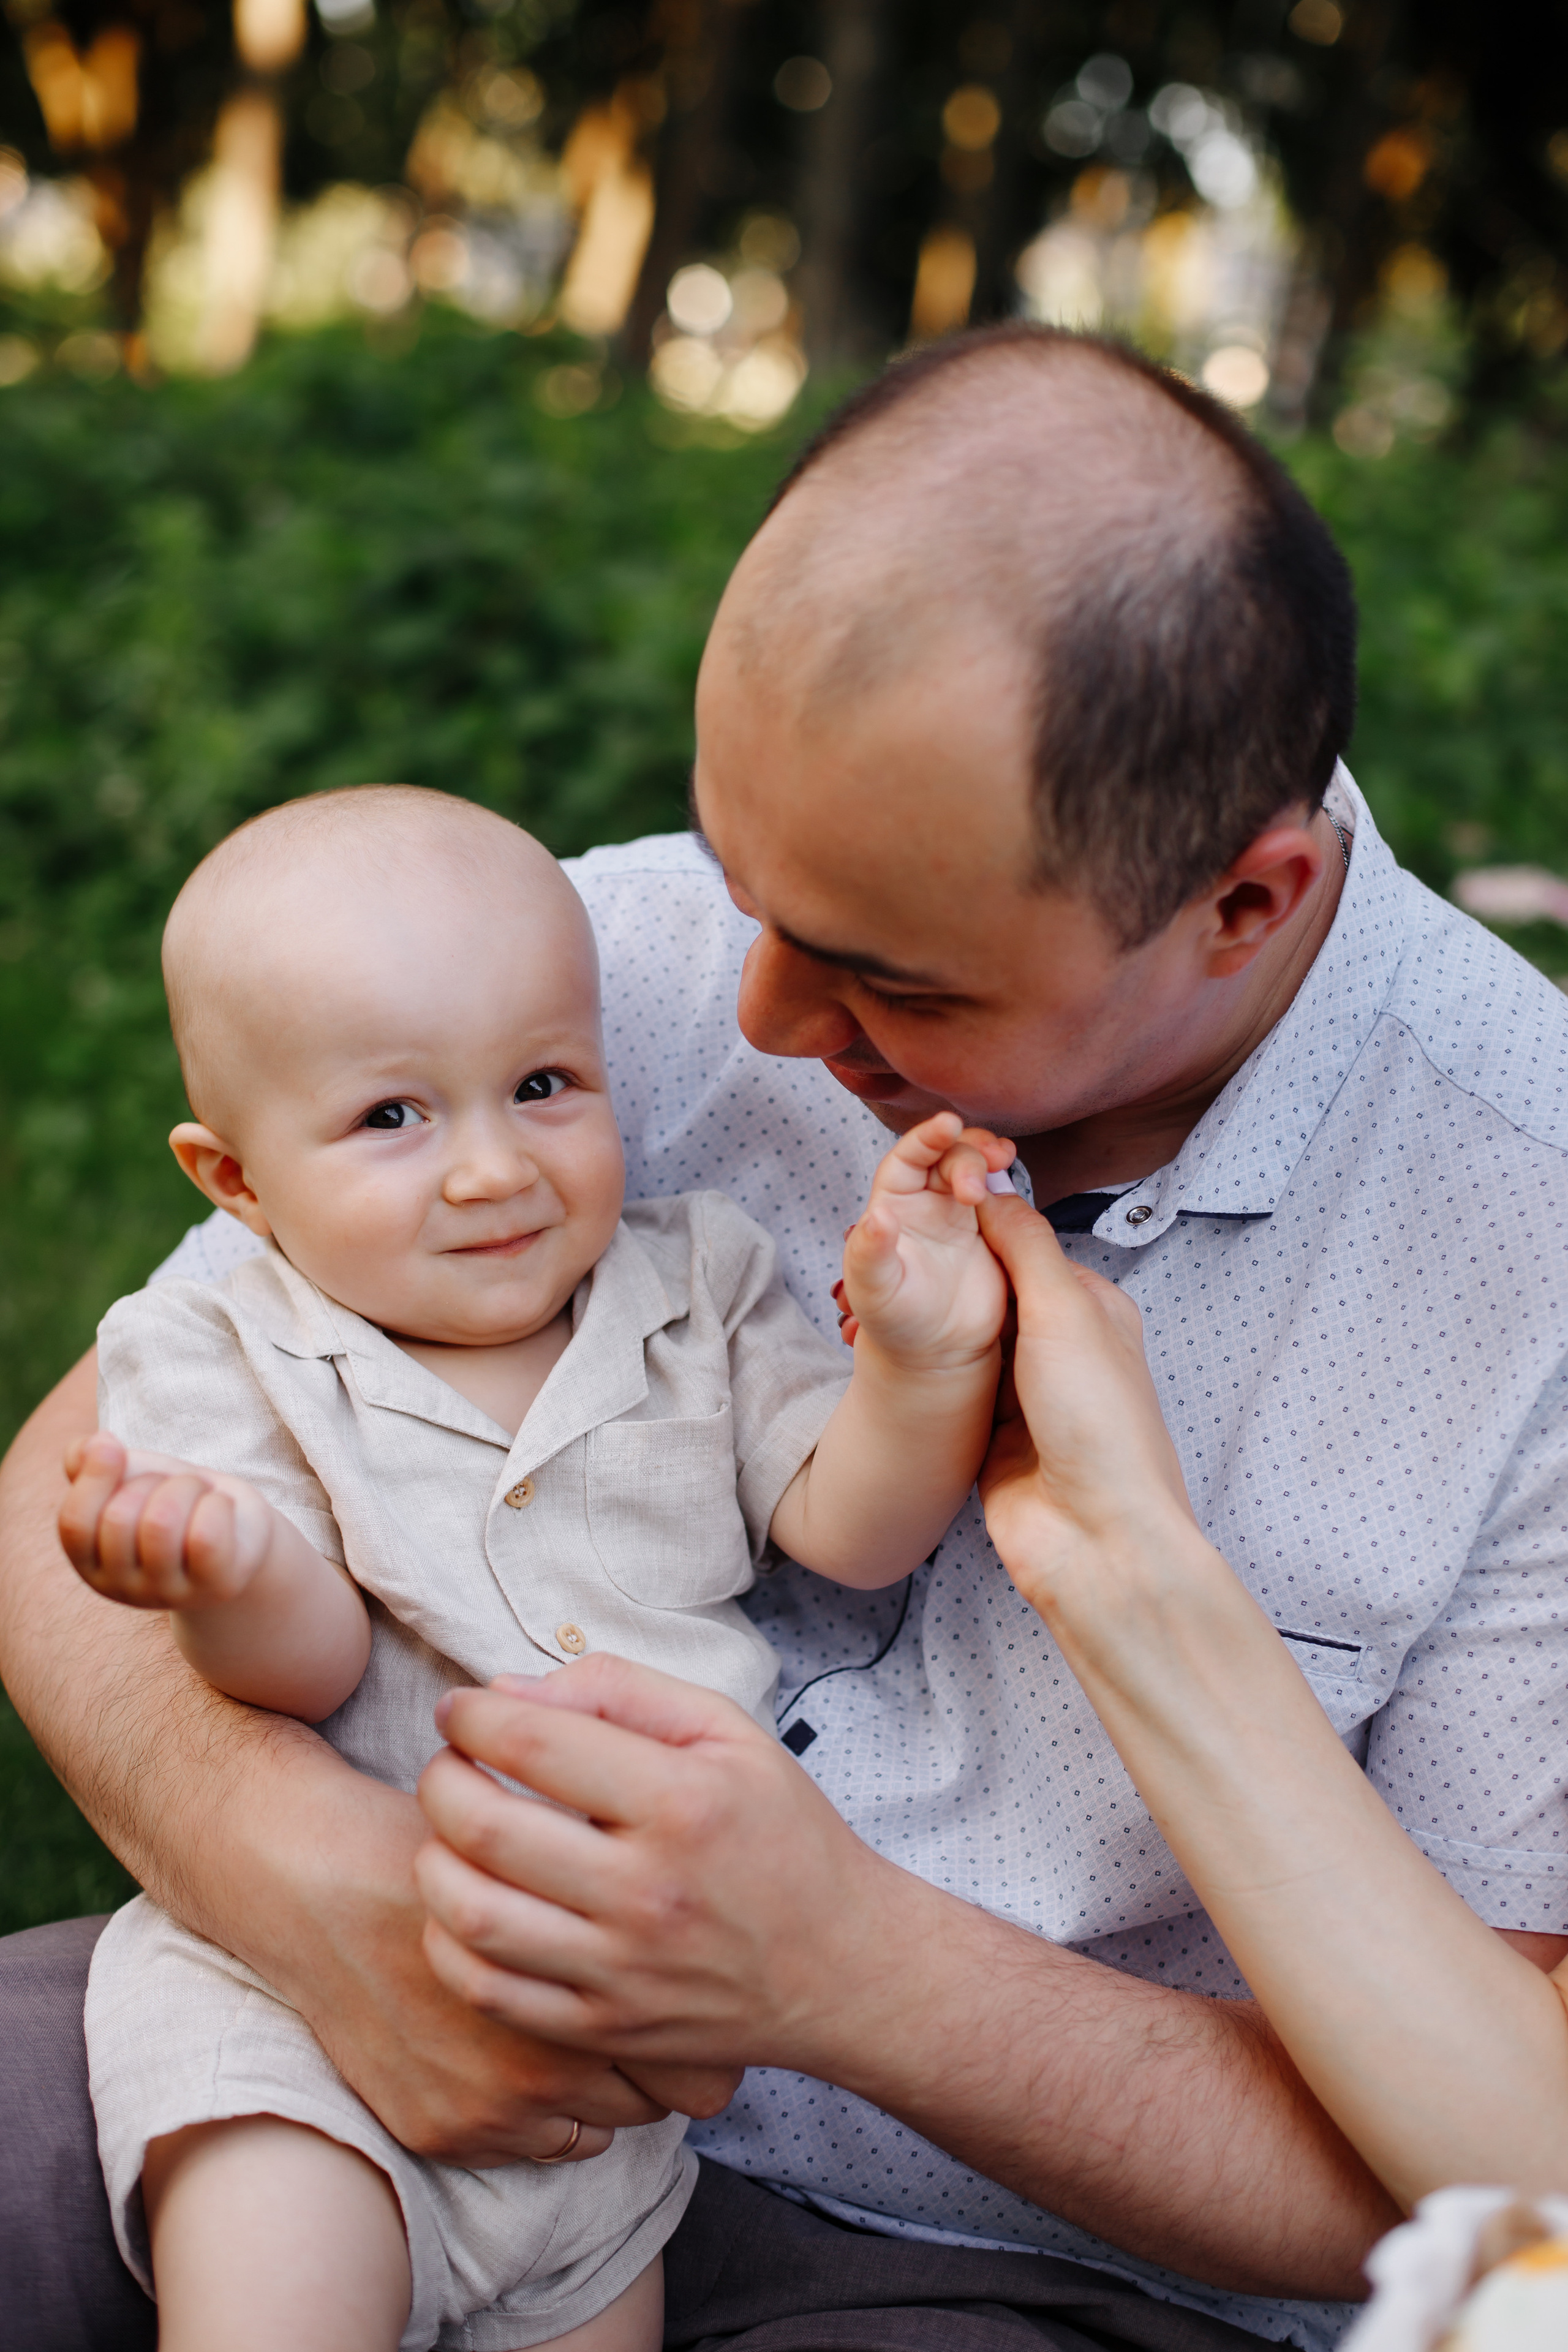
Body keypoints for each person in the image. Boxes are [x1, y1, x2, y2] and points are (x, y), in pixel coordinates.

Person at [4, 323, 1568, 2351]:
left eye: (888, 983)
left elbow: (1486, 2191)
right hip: (339, 2041)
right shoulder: (585, 979)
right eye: (739, 881)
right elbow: (70, 1481)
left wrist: (844, 1979)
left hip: (1005, 2263)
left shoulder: (1529, 1258)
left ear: (1242, 907)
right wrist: (316, 1887)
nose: (744, 1017)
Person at [56, 785, 1015, 2352]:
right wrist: (224, 1567)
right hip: (295, 2022)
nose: (494, 1168)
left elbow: (853, 1527)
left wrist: (917, 1356)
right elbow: (301, 1672)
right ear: (231, 1181)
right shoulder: (219, 1349)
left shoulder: (694, 1283)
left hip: (606, 2104)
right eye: (393, 1117)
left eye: (543, 1085)